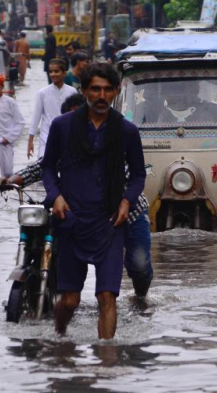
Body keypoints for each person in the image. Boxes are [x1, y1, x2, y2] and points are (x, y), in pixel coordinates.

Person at [0, 93, 154, 300]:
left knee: (139, 265)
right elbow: (41, 166)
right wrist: (9, 180)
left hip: (127, 212)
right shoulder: (66, 141)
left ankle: (140, 298)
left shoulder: (114, 139)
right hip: (83, 211)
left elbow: (134, 175)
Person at [41, 63, 146, 339]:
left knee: (107, 297)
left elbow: (137, 176)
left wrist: (126, 202)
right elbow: (48, 167)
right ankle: (59, 340)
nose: (101, 95)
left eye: (108, 90)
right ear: (85, 90)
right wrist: (56, 197)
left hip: (110, 221)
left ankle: (106, 362)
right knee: (70, 300)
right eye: (96, 89)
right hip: (71, 220)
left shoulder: (127, 131)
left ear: (116, 92)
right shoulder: (62, 126)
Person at [28, 58, 77, 159]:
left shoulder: (72, 92)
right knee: (45, 166)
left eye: (56, 71)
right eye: (50, 71)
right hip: (46, 138)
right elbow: (35, 118)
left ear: (64, 73)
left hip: (67, 137)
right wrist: (30, 141)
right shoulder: (42, 93)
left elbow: (76, 117)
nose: (53, 74)